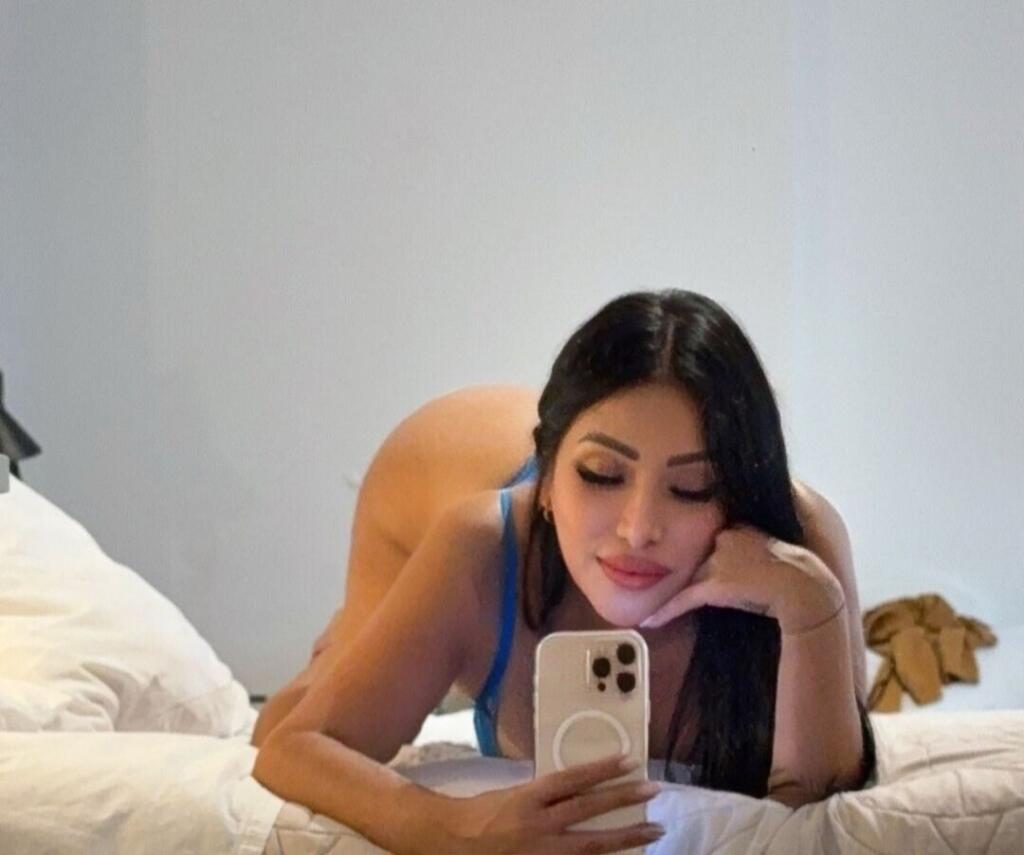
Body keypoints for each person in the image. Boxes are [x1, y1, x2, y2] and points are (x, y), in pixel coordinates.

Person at [252, 289, 875, 854]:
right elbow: (291, 749)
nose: (638, 530)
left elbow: (820, 801)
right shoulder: (481, 547)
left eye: (692, 487)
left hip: (574, 450)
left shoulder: (804, 542)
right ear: (548, 479)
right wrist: (448, 828)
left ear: (739, 493)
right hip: (434, 466)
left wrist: (812, 609)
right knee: (297, 706)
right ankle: (344, 637)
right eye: (602, 475)